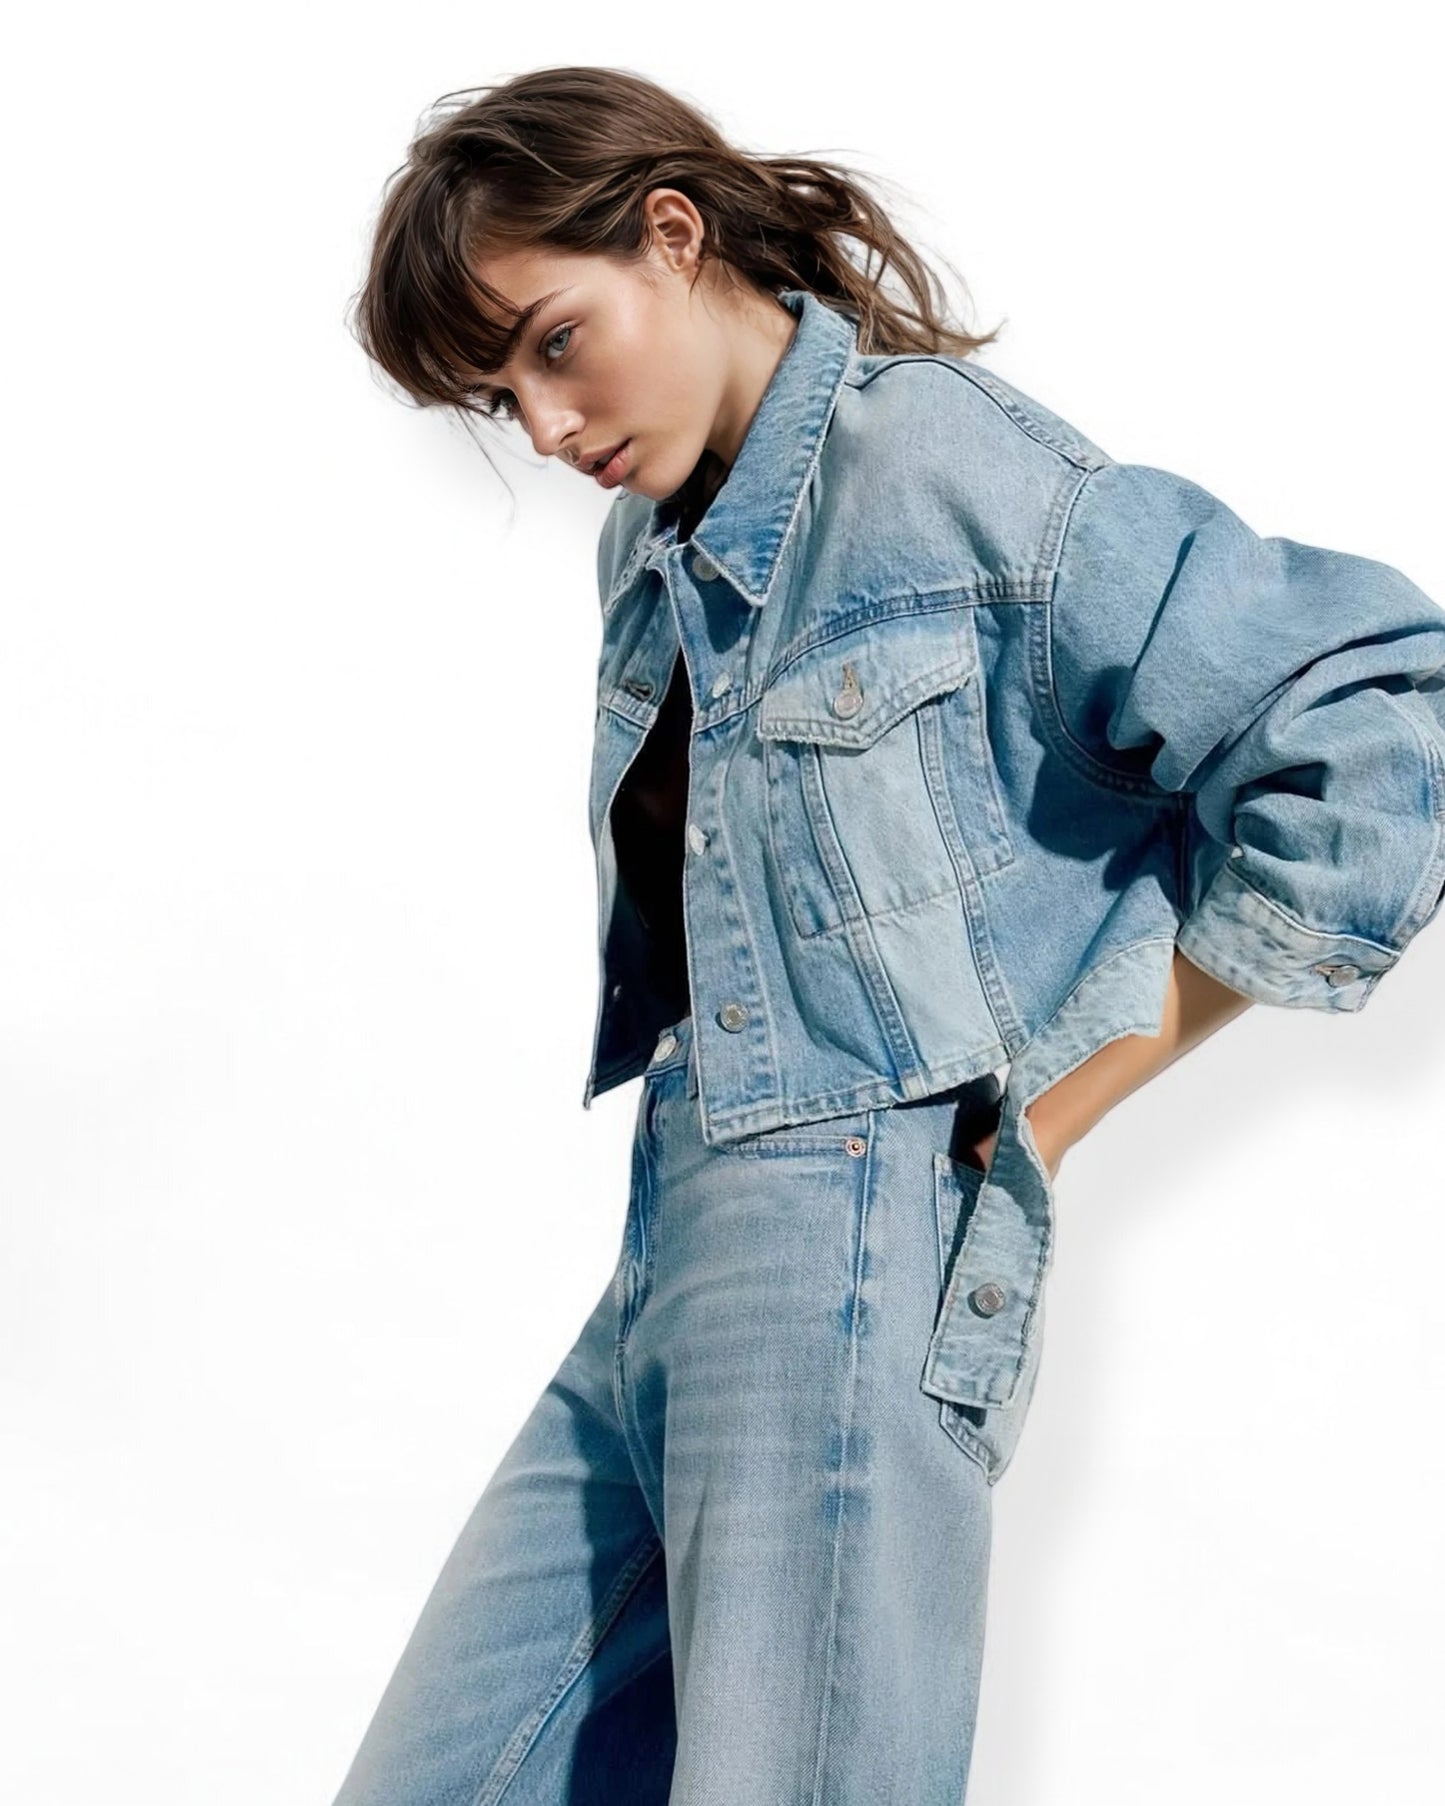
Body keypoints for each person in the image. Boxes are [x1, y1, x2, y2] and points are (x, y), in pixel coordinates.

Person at [334, 64, 1445, 1804]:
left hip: (853, 1253)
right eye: (499, 396)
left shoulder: (938, 463)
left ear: (671, 233)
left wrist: (1061, 1101)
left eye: (553, 344)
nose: (543, 426)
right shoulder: (649, 546)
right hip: (667, 1240)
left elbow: (1370, 718)